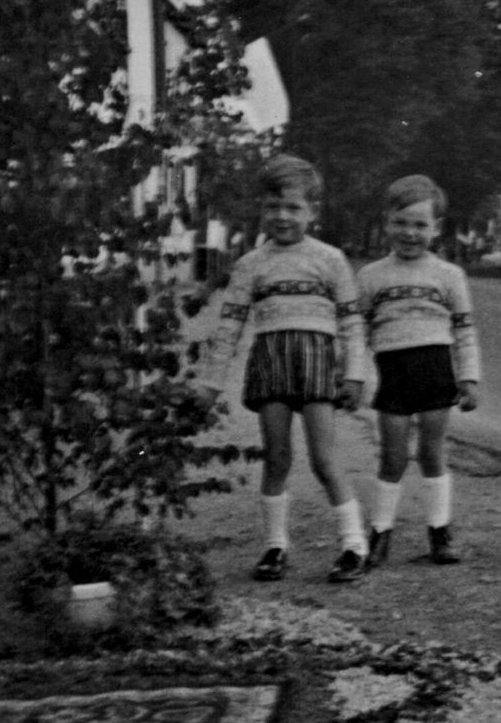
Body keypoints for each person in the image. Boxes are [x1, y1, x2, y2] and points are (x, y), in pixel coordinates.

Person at [197, 154, 371, 584]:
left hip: (316, 363)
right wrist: (210, 384)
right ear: (261, 209)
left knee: (323, 459)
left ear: (313, 211)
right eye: (272, 207)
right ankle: (275, 546)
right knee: (276, 458)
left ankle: (353, 545)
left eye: (293, 208)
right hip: (271, 362)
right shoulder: (250, 264)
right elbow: (230, 327)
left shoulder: (330, 260)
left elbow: (351, 323)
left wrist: (354, 374)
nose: (282, 216)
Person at [357, 175, 481, 568]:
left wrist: (470, 378)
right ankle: (380, 532)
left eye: (420, 224)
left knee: (432, 453)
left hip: (435, 371)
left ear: (437, 228)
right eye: (402, 222)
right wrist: (354, 376)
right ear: (386, 222)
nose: (410, 233)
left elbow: (464, 329)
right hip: (392, 372)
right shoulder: (371, 276)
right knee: (392, 457)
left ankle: (440, 532)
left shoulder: (449, 276)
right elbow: (356, 331)